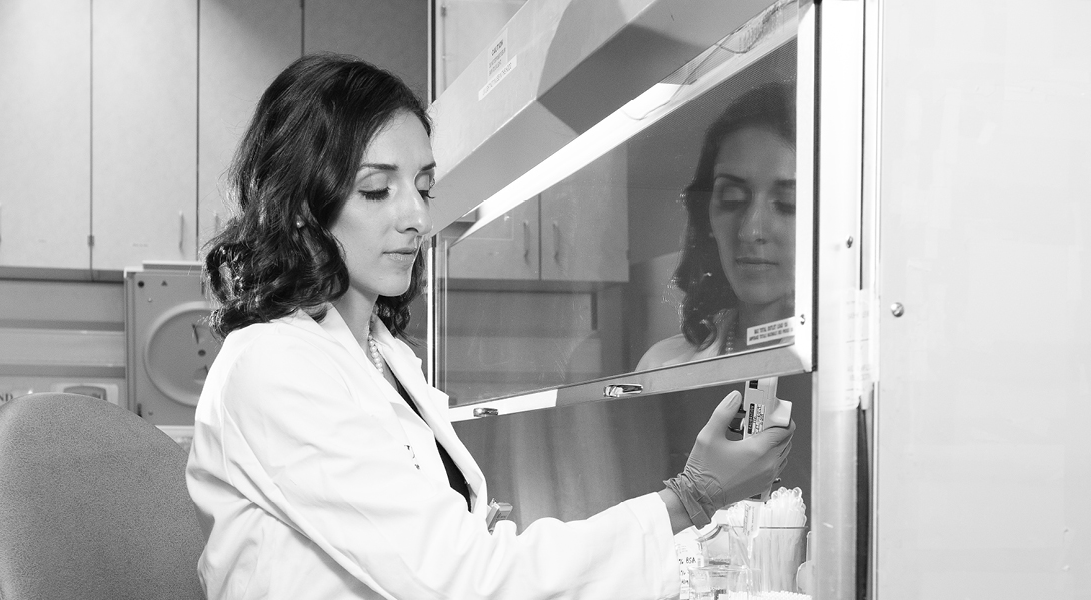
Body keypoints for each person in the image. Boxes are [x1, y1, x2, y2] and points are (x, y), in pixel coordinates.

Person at [186, 53, 794, 600]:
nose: (416, 217)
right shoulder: (273, 365)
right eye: (377, 190)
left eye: (423, 188)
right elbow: (460, 579)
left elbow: (441, 553)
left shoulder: (383, 357)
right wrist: (690, 497)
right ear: (300, 207)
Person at [636, 82, 796, 371]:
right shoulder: (659, 367)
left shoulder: (871, 368)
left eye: (788, 203)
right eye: (732, 199)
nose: (750, 231)